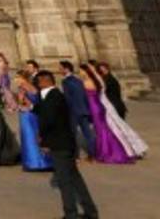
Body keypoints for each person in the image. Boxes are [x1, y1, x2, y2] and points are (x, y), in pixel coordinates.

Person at [35, 70, 99, 219]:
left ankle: (71, 214)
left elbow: (48, 120)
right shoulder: (53, 95)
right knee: (75, 178)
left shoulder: (53, 97)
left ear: (45, 81)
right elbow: (44, 112)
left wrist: (43, 139)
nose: (37, 85)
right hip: (66, 143)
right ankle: (90, 211)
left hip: (60, 144)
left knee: (64, 181)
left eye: (38, 82)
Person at [82, 63, 146, 163]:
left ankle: (129, 150)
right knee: (118, 129)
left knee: (116, 130)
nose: (101, 71)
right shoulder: (102, 80)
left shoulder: (105, 80)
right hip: (108, 106)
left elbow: (103, 93)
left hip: (109, 106)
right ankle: (132, 149)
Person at [14, 71, 52, 172]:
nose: (16, 80)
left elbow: (21, 102)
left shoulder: (22, 88)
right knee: (36, 135)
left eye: (17, 77)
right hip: (34, 114)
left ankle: (32, 162)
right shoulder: (33, 87)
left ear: (22, 78)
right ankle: (43, 161)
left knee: (28, 137)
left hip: (26, 115)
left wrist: (18, 102)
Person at [59, 61, 95, 160]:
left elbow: (67, 98)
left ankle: (75, 156)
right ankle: (92, 154)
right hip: (83, 109)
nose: (59, 70)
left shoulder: (65, 81)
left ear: (66, 69)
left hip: (73, 111)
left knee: (72, 134)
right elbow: (84, 96)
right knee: (88, 133)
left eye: (61, 68)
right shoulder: (78, 80)